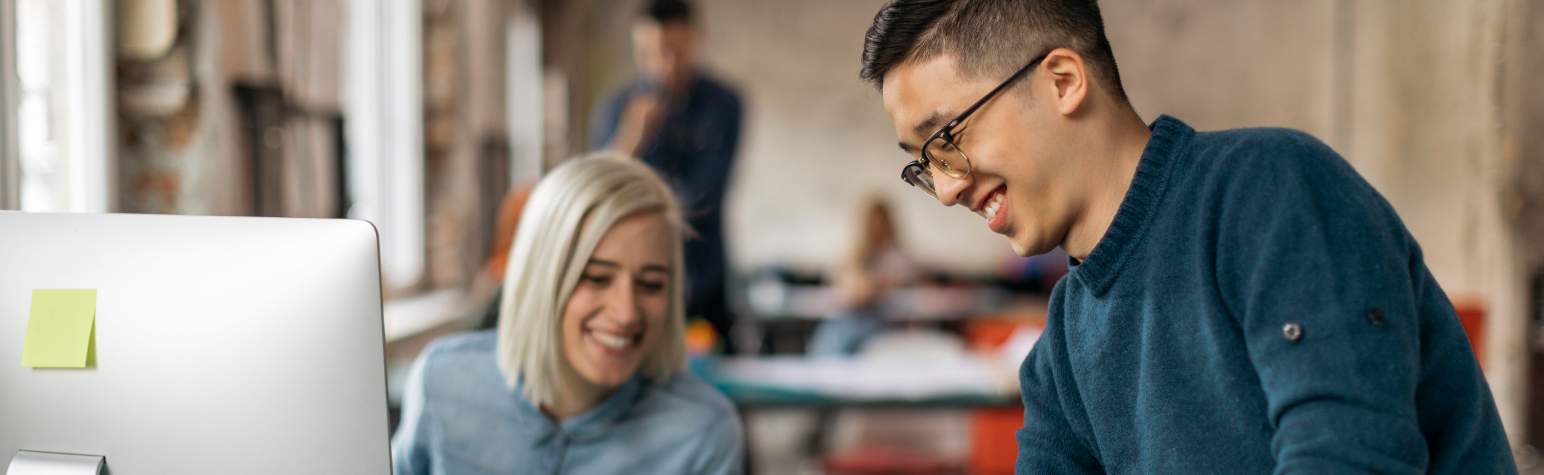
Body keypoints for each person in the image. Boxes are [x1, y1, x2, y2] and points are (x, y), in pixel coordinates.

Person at [859, 0, 1514, 473]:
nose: (945, 189)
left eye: (947, 139)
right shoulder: (1064, 339)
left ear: (1062, 80)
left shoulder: (1272, 192)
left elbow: (1349, 457)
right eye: (924, 164)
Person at [391, 155, 744, 475]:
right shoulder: (442, 382)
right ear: (539, 278)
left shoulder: (703, 432)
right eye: (596, 278)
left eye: (651, 284)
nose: (626, 312)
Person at [590, 0, 743, 350]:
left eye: (675, 50)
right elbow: (595, 194)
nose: (664, 64)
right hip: (634, 277)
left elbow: (707, 193)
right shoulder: (617, 106)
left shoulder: (725, 105)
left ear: (695, 40)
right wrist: (630, 140)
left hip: (704, 277)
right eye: (652, 52)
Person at [808, 197, 924, 355]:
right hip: (850, 317)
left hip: (881, 319)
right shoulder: (856, 254)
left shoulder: (897, 255)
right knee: (827, 341)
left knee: (844, 341)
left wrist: (871, 286)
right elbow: (843, 282)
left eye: (880, 221)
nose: (876, 226)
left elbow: (899, 279)